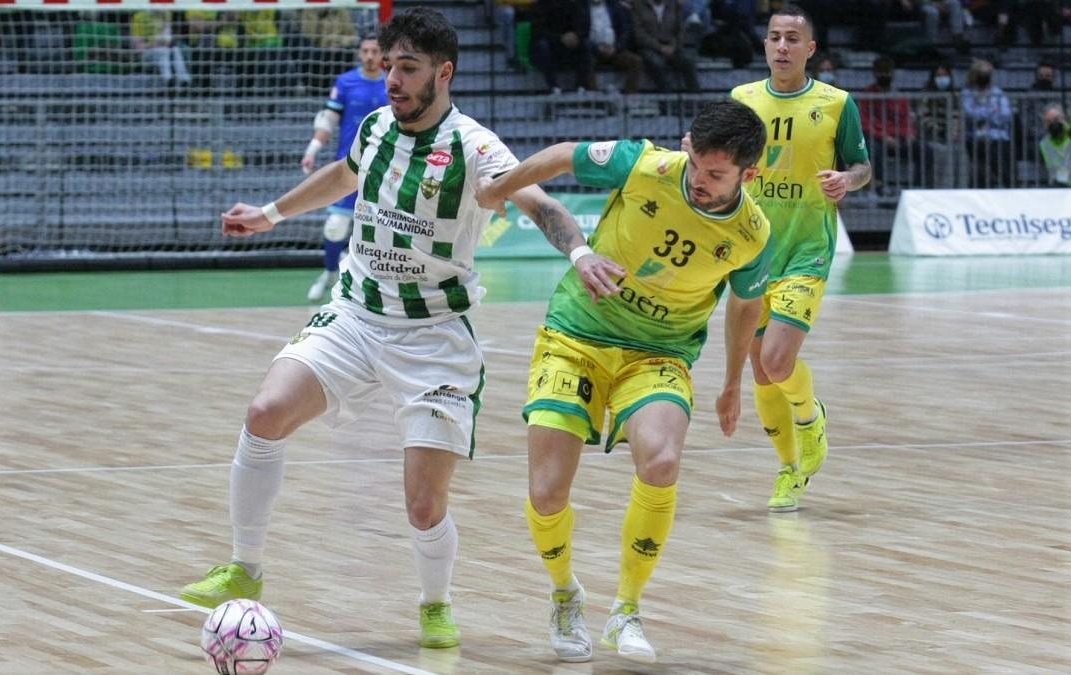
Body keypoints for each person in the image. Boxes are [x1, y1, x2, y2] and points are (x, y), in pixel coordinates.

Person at [178, 7, 615, 650]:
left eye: (407, 69)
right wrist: (271, 214)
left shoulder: (475, 145)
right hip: (356, 315)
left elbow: (539, 203)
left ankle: (434, 604)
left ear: (444, 72)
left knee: (422, 505)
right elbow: (343, 175)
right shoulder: (378, 126)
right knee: (264, 411)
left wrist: (580, 254)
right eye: (389, 66)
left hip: (433, 337)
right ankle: (245, 566)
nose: (392, 81)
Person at [476, 99, 772, 663]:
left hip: (659, 353)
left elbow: (744, 306)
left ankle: (626, 609)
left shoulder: (753, 234)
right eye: (697, 167)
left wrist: (734, 382)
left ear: (748, 175)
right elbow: (563, 156)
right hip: (577, 334)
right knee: (546, 491)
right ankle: (565, 592)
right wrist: (500, 189)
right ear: (686, 146)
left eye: (717, 176)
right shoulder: (644, 165)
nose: (702, 182)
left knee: (661, 462)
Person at [729, 4, 871, 512]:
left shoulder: (837, 103)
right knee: (762, 373)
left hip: (807, 249)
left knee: (776, 359)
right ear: (765, 46)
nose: (782, 47)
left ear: (810, 49)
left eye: (793, 39)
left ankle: (810, 418)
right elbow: (721, 160)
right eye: (774, 37)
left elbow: (861, 166)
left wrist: (845, 180)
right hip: (751, 247)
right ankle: (789, 470)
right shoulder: (742, 100)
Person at [300, 33, 388, 302]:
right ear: (359, 54)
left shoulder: (394, 82)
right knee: (335, 227)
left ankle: (369, 286)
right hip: (350, 168)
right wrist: (312, 149)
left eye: (375, 51)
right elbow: (328, 119)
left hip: (385, 170)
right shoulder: (346, 82)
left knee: (380, 232)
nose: (370, 56)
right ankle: (328, 274)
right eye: (366, 51)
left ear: (383, 54)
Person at [860, 55, 934, 191]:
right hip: (878, 138)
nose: (884, 75)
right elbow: (865, 123)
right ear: (875, 73)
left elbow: (906, 119)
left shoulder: (900, 95)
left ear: (893, 74)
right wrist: (885, 137)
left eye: (887, 72)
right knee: (871, 148)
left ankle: (920, 188)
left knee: (925, 150)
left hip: (900, 138)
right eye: (881, 72)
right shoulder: (867, 95)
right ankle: (880, 188)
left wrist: (909, 134)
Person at [961, 58, 1013, 188]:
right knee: (986, 147)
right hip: (976, 137)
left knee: (1002, 148)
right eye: (981, 73)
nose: (984, 76)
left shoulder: (998, 93)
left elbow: (1006, 115)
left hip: (999, 136)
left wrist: (984, 115)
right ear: (974, 75)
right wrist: (992, 112)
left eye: (986, 73)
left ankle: (1007, 182)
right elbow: (970, 115)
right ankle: (1009, 182)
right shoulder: (967, 93)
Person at [632, 0, 701, 93]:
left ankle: (696, 98)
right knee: (656, 63)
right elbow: (639, 33)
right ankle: (667, 98)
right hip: (650, 47)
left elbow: (680, 30)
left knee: (688, 60)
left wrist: (673, 45)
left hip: (672, 46)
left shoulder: (673, 5)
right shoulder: (638, 5)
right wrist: (659, 47)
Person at [530, 0, 592, 94]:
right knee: (542, 45)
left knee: (586, 44)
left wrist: (576, 35)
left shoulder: (574, 4)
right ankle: (554, 87)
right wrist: (560, 38)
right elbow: (538, 31)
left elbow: (584, 26)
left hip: (570, 46)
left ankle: (581, 86)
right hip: (550, 46)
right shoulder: (539, 5)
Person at [585, 0, 642, 95]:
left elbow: (625, 30)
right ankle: (595, 101)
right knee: (586, 61)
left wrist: (616, 47)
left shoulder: (615, 6)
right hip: (592, 50)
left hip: (614, 49)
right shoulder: (582, 7)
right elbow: (581, 33)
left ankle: (630, 98)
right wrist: (595, 47)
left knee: (636, 61)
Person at [129, 10, 191, 87]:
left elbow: (167, 42)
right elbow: (138, 48)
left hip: (165, 55)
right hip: (146, 55)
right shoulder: (139, 17)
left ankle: (184, 81)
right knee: (163, 50)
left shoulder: (166, 14)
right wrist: (154, 44)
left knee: (175, 49)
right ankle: (168, 81)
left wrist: (166, 26)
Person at [1037, 103, 1070, 187]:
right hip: (1063, 186)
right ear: (1045, 125)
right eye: (1049, 121)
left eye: (1056, 119)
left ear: (1064, 118)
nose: (1053, 124)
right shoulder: (1044, 144)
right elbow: (1054, 171)